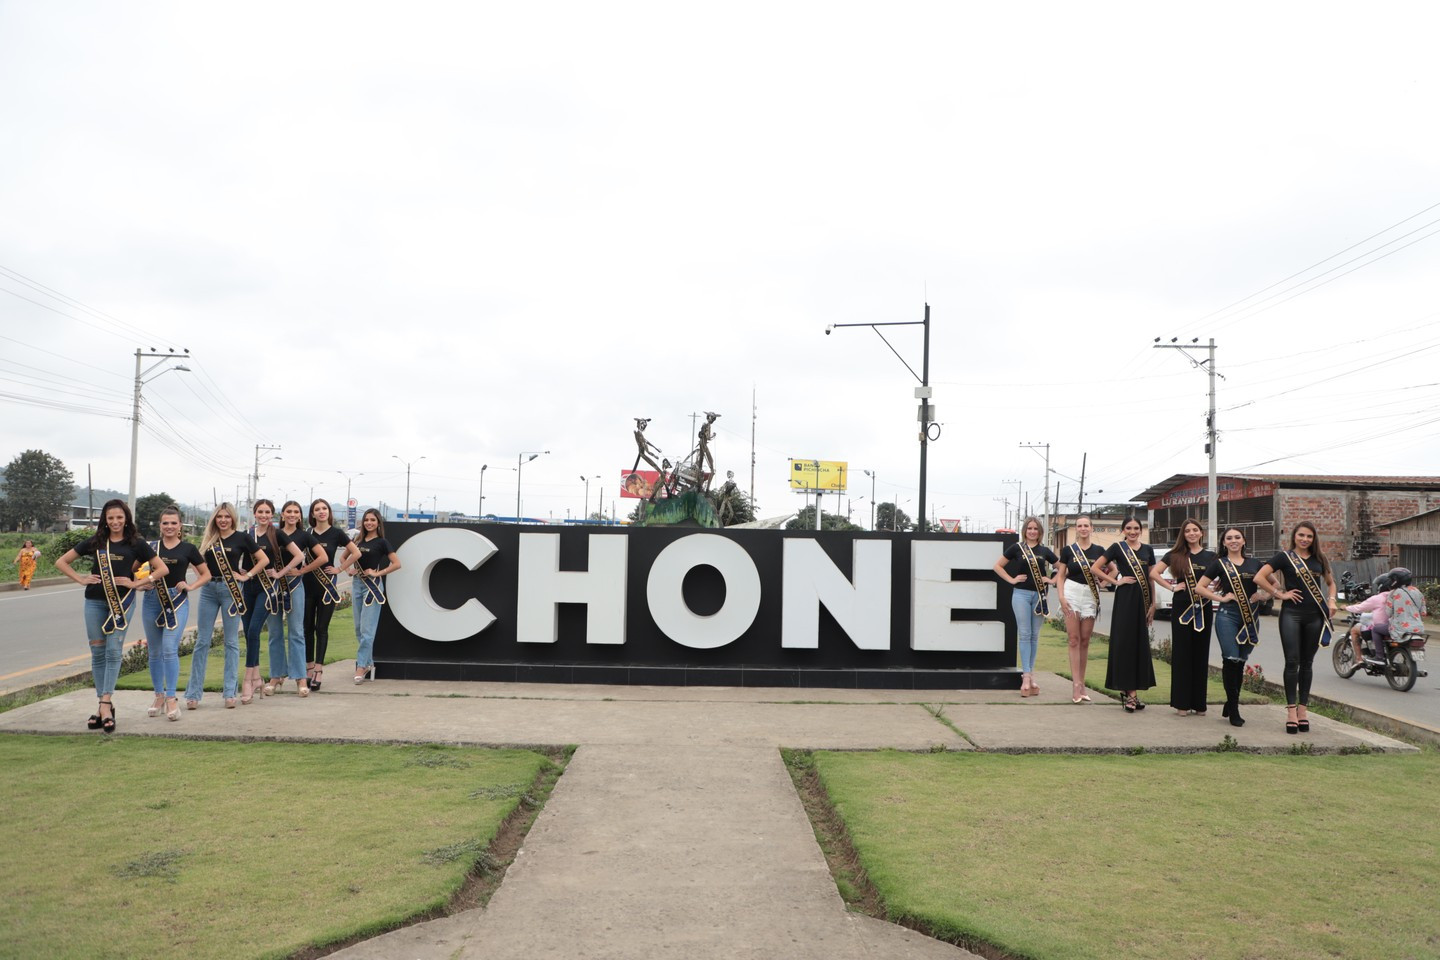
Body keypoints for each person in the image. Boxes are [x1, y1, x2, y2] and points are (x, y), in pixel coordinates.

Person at [53, 499, 166, 733]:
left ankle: (104, 703)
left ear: (126, 519)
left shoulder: (136, 543)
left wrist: (137, 583)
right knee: (97, 651)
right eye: (110, 518)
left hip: (121, 604)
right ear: (105, 519)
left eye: (119, 517)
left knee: (113, 651)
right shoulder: (96, 542)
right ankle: (104, 706)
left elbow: (162, 568)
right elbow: (61, 561)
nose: (115, 522)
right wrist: (81, 578)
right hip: (94, 600)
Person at [1255, 521, 1336, 734]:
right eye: (1301, 535)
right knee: (1292, 661)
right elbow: (1259, 577)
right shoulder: (1284, 557)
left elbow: (1330, 582)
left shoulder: (1320, 558)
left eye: (1309, 536)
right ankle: (1291, 711)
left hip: (1315, 616)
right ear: (1295, 536)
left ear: (1313, 538)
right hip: (1291, 614)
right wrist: (1280, 594)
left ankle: (1303, 711)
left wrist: (1332, 600)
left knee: (1307, 663)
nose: (1305, 539)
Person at [185, 503, 268, 710]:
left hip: (231, 590)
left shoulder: (242, 537)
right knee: (202, 641)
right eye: (219, 517)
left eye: (227, 517)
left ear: (233, 518)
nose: (223, 520)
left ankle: (230, 692)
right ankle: (194, 694)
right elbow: (197, 562)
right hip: (208, 591)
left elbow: (263, 559)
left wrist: (246, 575)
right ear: (215, 519)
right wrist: (199, 577)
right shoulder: (209, 539)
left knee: (231, 642)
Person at [137, 506, 210, 721]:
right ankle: (158, 696)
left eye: (173, 523)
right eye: (165, 523)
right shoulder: (150, 547)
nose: (169, 527)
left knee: (170, 649)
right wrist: (139, 584)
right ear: (160, 526)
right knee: (155, 652)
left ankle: (171, 698)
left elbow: (206, 574)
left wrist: (191, 586)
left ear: (180, 526)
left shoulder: (188, 548)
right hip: (151, 601)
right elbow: (131, 568)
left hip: (176, 602)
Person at [1197, 527, 1269, 727]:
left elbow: (1274, 585)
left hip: (1251, 618)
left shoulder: (1255, 563)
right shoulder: (1220, 564)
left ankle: (1231, 701)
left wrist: (1264, 595)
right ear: (1224, 543)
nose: (1234, 540)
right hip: (1227, 616)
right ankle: (1235, 710)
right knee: (1230, 659)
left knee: (1240, 661)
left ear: (1244, 541)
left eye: (1237, 537)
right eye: (1229, 538)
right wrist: (1220, 598)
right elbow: (1199, 587)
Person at [239, 500, 305, 704]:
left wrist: (281, 573)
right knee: (264, 633)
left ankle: (297, 678)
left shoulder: (277, 534)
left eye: (267, 512)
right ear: (254, 513)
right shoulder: (246, 535)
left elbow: (299, 556)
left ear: (273, 515)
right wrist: (242, 571)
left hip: (270, 588)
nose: (263, 515)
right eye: (260, 511)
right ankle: (267, 677)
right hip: (248, 586)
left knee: (284, 632)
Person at [1150, 518, 1216, 716]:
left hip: (1203, 607)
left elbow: (1221, 576)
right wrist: (1171, 587)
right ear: (1183, 534)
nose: (1192, 533)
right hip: (1182, 608)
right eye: (1188, 531)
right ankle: (1182, 703)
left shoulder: (1211, 556)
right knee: (1182, 654)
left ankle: (1199, 704)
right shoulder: (1175, 555)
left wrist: (1218, 591)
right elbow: (1154, 573)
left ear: (1201, 533)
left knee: (1201, 654)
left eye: (1195, 530)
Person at [1095, 516, 1157, 713]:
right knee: (1125, 644)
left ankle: (1132, 692)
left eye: (1136, 528)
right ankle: (1130, 694)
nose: (1132, 531)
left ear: (1141, 530)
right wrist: (1115, 582)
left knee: (1140, 645)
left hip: (1143, 600)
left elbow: (1151, 578)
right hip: (1125, 599)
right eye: (1129, 528)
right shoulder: (1117, 547)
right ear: (1123, 530)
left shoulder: (1148, 550)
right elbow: (1095, 567)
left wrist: (1153, 604)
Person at [992, 517, 1058, 698]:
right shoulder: (1017, 548)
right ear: (1024, 530)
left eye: (1035, 529)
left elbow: (1063, 568)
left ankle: (1030, 674)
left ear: (1040, 532)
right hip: (1020, 594)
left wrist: (1051, 580)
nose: (1032, 531)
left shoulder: (1045, 551)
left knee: (1034, 636)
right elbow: (997, 566)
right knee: (1024, 634)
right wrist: (1012, 580)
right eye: (1029, 528)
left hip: (1039, 597)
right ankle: (1026, 676)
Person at [267, 500, 327, 697]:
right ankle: (276, 676)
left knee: (296, 633)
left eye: (296, 512)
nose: (292, 515)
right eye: (288, 512)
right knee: (274, 633)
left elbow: (323, 557)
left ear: (300, 516)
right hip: (273, 587)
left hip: (294, 587)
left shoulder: (304, 536)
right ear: (282, 515)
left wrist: (302, 571)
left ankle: (300, 676)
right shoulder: (272, 534)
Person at [339, 508, 401, 683]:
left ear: (378, 522)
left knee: (367, 630)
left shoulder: (382, 542)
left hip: (372, 587)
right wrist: (349, 570)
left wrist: (378, 573)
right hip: (357, 584)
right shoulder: (356, 540)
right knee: (359, 628)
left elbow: (397, 563)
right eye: (366, 520)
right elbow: (343, 558)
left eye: (373, 520)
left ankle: (361, 666)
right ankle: (368, 663)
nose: (369, 523)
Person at [303, 498, 358, 691]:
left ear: (329, 512)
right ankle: (309, 667)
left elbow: (356, 553)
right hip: (307, 585)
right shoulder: (306, 533)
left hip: (327, 588)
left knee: (322, 628)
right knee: (307, 628)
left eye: (324, 508)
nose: (321, 512)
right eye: (317, 509)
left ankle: (319, 670)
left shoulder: (337, 533)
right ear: (312, 514)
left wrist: (340, 568)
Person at [1055, 515, 1105, 703]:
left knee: (1085, 640)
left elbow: (1113, 569)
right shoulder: (1068, 550)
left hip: (1091, 595)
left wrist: (1105, 582)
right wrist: (1061, 597)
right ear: (1076, 529)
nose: (1083, 528)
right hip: (1072, 593)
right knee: (1073, 639)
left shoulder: (1100, 550)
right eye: (1079, 526)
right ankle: (1076, 684)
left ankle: (1082, 684)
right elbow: (1060, 576)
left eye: (1086, 525)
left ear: (1092, 528)